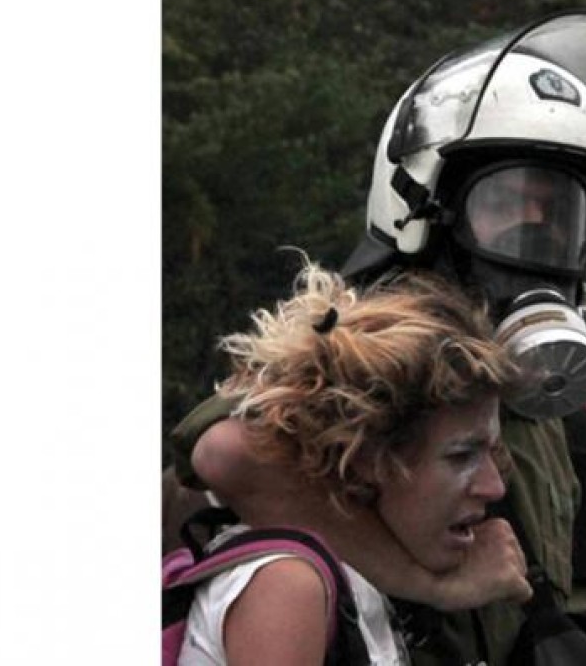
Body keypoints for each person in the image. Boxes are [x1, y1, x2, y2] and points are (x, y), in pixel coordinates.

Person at [168, 12, 586, 665]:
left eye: (557, 216)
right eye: (506, 205)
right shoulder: (367, 360)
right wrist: (427, 583)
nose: (535, 234)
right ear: (423, 205)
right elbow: (228, 452)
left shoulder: (551, 416)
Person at [177, 259, 529, 665]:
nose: (494, 486)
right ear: (365, 458)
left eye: (491, 452)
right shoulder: (289, 583)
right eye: (461, 456)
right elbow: (223, 451)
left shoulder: (354, 585)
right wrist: (434, 587)